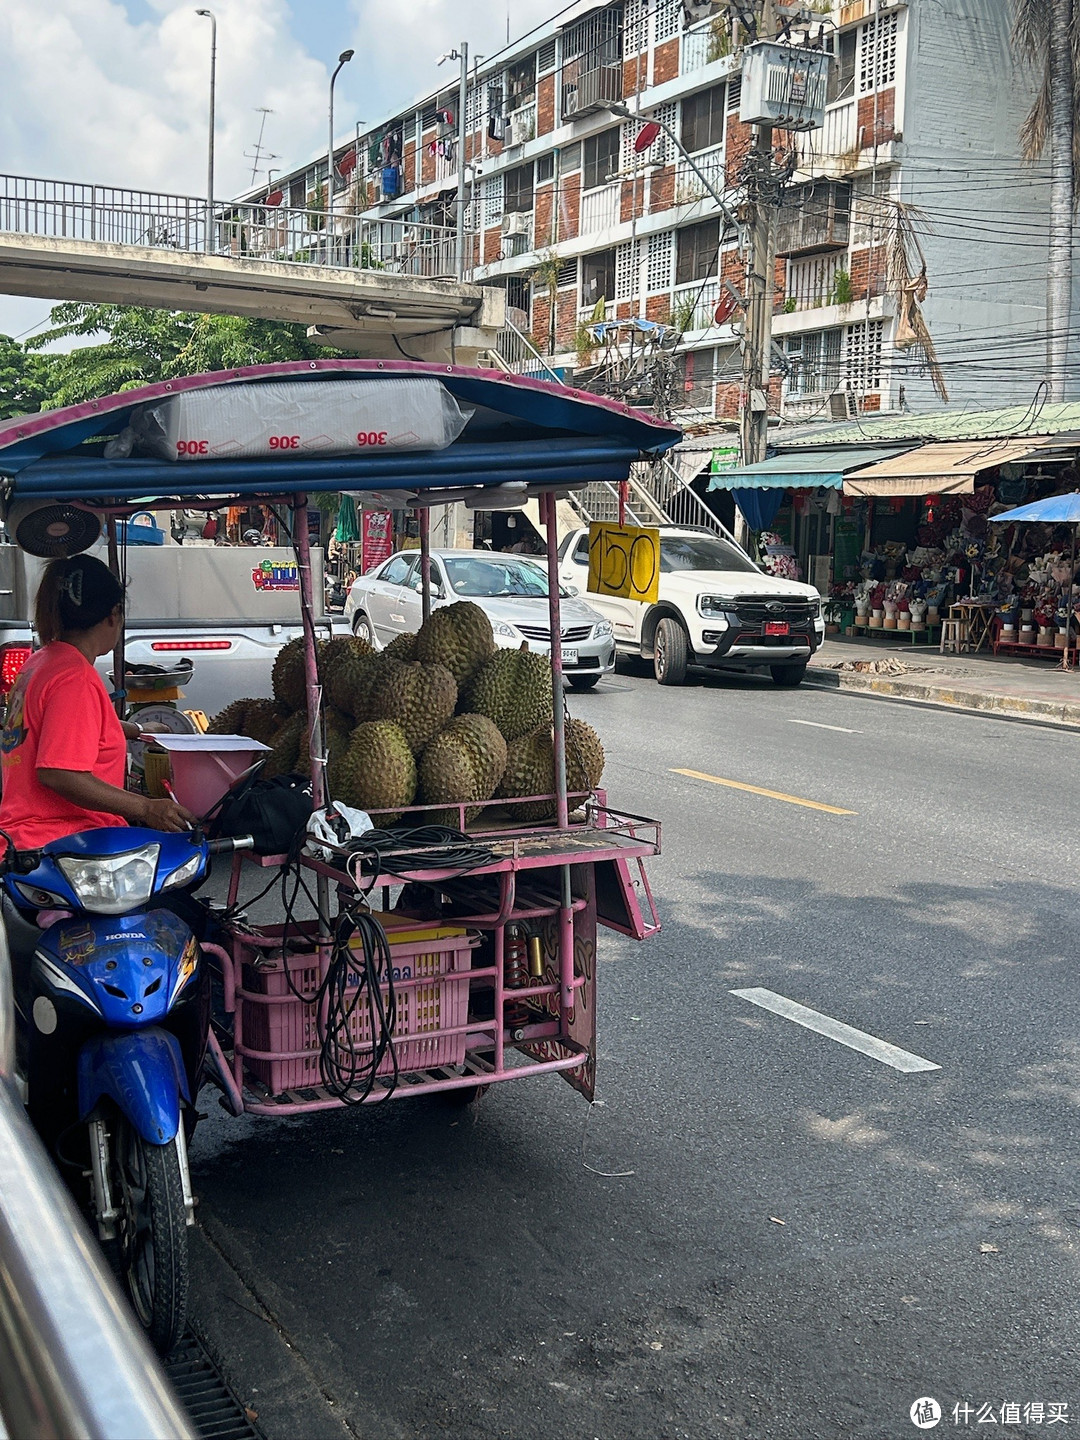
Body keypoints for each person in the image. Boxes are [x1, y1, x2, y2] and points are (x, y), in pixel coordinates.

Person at [0, 555, 195, 852]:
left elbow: (67, 728)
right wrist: (145, 808)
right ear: (113, 614)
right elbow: (57, 772)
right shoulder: (74, 677)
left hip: (23, 838)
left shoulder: (41, 663)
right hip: (60, 844)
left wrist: (137, 728)